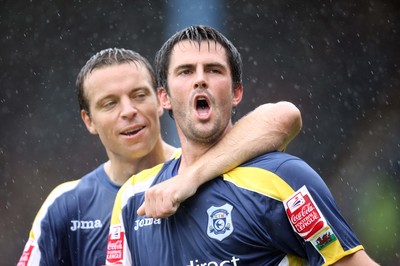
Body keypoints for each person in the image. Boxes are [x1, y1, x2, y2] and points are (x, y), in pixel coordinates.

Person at [105, 26, 379, 265]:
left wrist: (190, 178)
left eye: (214, 70)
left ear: (236, 93)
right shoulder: (133, 197)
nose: (200, 79)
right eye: (185, 71)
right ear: (163, 97)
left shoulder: (283, 178)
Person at [17, 47, 301, 266]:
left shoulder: (216, 167)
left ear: (161, 99)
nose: (128, 111)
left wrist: (190, 178)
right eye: (110, 103)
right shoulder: (66, 206)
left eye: (139, 95)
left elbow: (283, 117)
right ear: (88, 120)